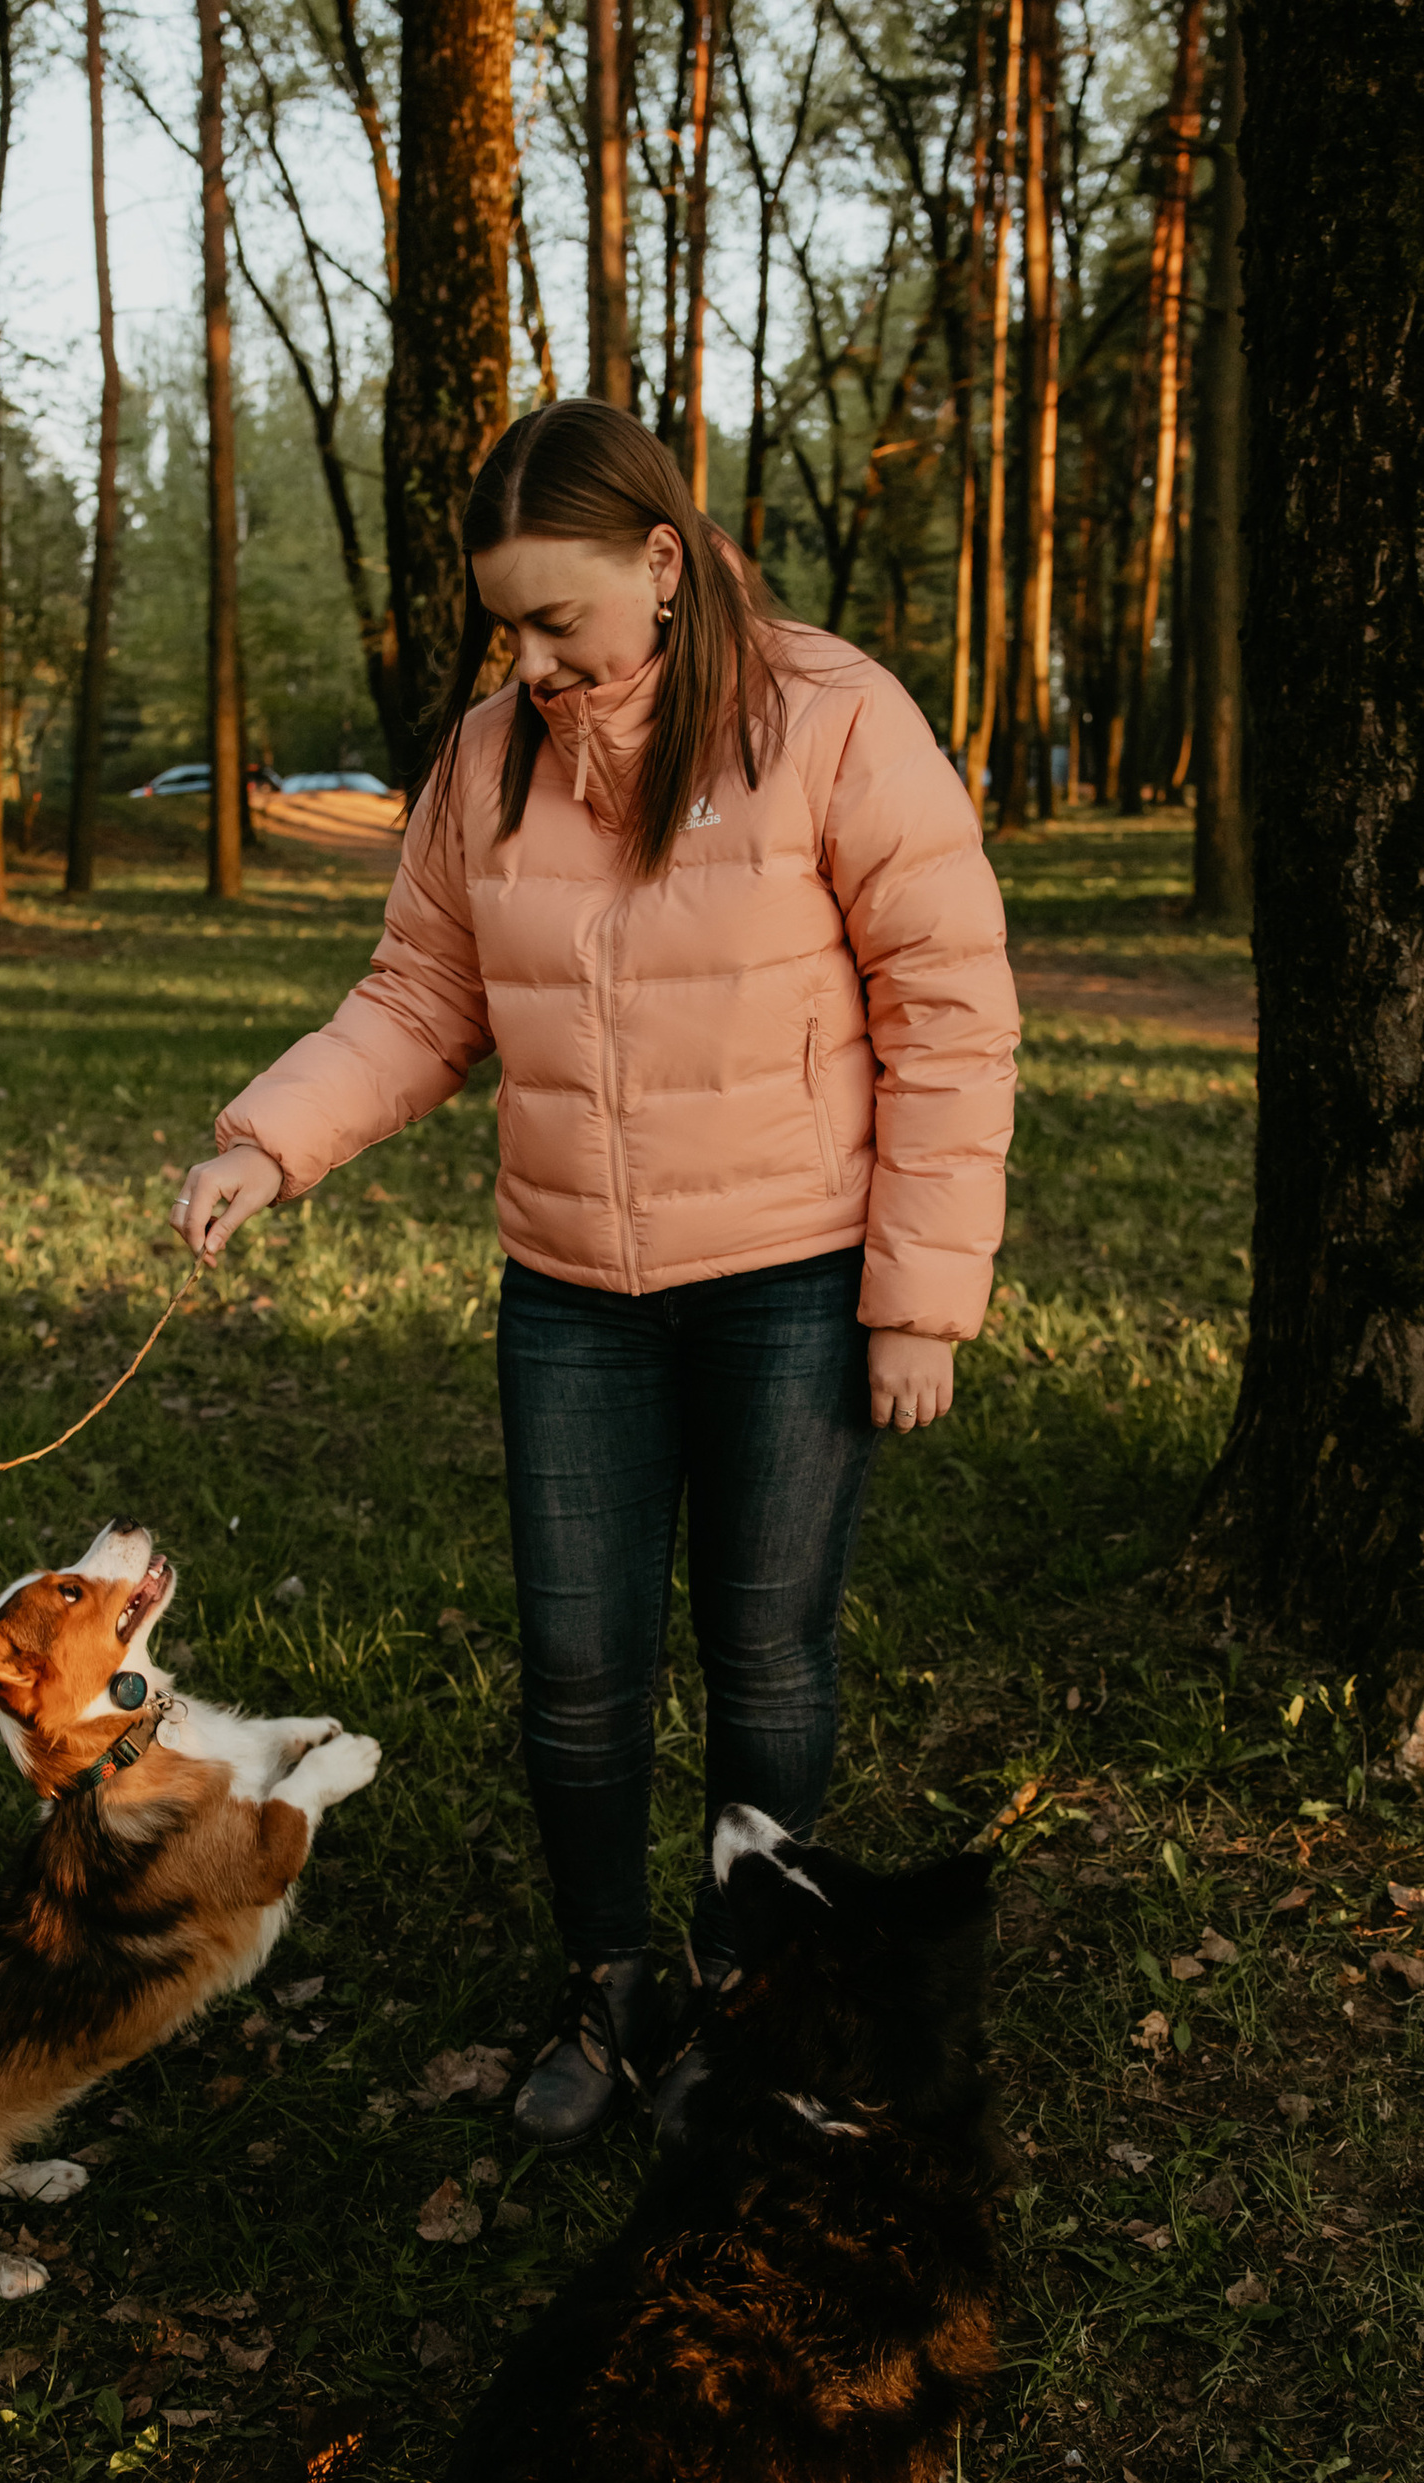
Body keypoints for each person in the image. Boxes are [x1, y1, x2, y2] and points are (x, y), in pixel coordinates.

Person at [173, 402, 1019, 2145]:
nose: (540, 664)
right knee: (577, 1669)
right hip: (571, 1294)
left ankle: (744, 1991)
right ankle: (615, 1979)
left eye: (563, 621)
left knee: (768, 1660)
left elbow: (951, 1015)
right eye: (512, 630)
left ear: (659, 558)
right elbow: (422, 997)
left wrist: (920, 1296)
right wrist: (270, 1138)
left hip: (791, 1277)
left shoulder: (835, 721)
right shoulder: (488, 762)